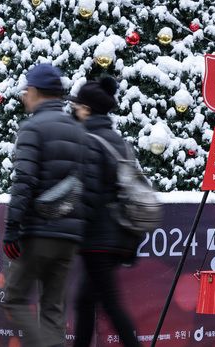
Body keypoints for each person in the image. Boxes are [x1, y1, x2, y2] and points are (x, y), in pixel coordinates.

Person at [2, 63, 87, 347]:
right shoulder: (77, 130)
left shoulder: (32, 128)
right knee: (52, 309)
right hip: (68, 237)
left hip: (38, 232)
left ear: (36, 92)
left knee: (13, 298)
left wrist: (13, 228)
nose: (24, 97)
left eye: (26, 91)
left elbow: (24, 181)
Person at [67, 76, 140, 347]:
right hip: (117, 234)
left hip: (98, 237)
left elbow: (89, 194)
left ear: (86, 109)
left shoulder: (90, 141)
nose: (73, 109)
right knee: (85, 301)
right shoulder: (115, 139)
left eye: (77, 105)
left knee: (109, 303)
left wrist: (72, 227)